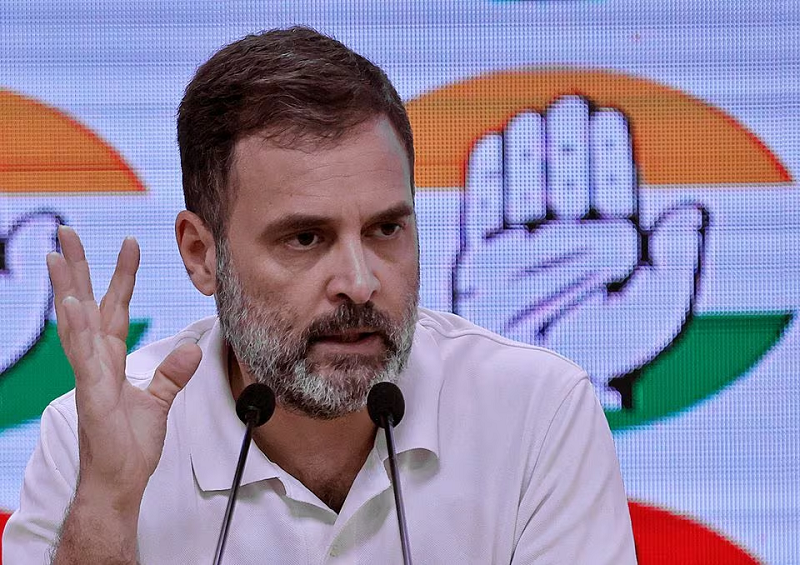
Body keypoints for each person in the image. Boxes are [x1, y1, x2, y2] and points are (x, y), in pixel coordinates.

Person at [2, 27, 637, 564]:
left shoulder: (536, 412)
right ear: (202, 255)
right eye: (305, 238)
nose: (360, 283)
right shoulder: (94, 436)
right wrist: (108, 506)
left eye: (386, 229)